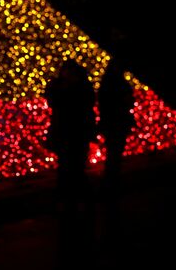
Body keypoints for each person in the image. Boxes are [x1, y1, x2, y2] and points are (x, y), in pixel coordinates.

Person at [44, 59, 97, 269]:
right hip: (66, 135)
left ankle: (75, 201)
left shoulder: (81, 89)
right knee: (67, 168)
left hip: (76, 135)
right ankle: (70, 202)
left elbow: (84, 108)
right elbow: (53, 102)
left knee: (73, 168)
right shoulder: (62, 87)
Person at [98, 56, 135, 248]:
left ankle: (110, 183)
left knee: (113, 154)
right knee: (114, 154)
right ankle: (112, 184)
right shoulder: (118, 84)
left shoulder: (107, 84)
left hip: (112, 124)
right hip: (117, 123)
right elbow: (127, 101)